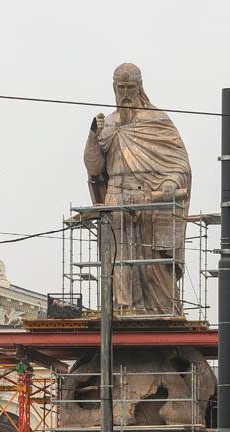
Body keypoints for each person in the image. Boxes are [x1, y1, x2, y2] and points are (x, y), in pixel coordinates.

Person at [83, 63, 192, 316]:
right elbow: (95, 168)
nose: (125, 93)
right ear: (114, 88)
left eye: (130, 87)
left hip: (150, 201)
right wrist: (92, 136)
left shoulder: (157, 121)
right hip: (116, 199)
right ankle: (122, 309)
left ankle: (160, 308)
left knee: (153, 262)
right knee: (119, 262)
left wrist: (171, 182)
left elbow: (180, 164)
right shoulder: (107, 124)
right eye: (120, 88)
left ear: (140, 87)